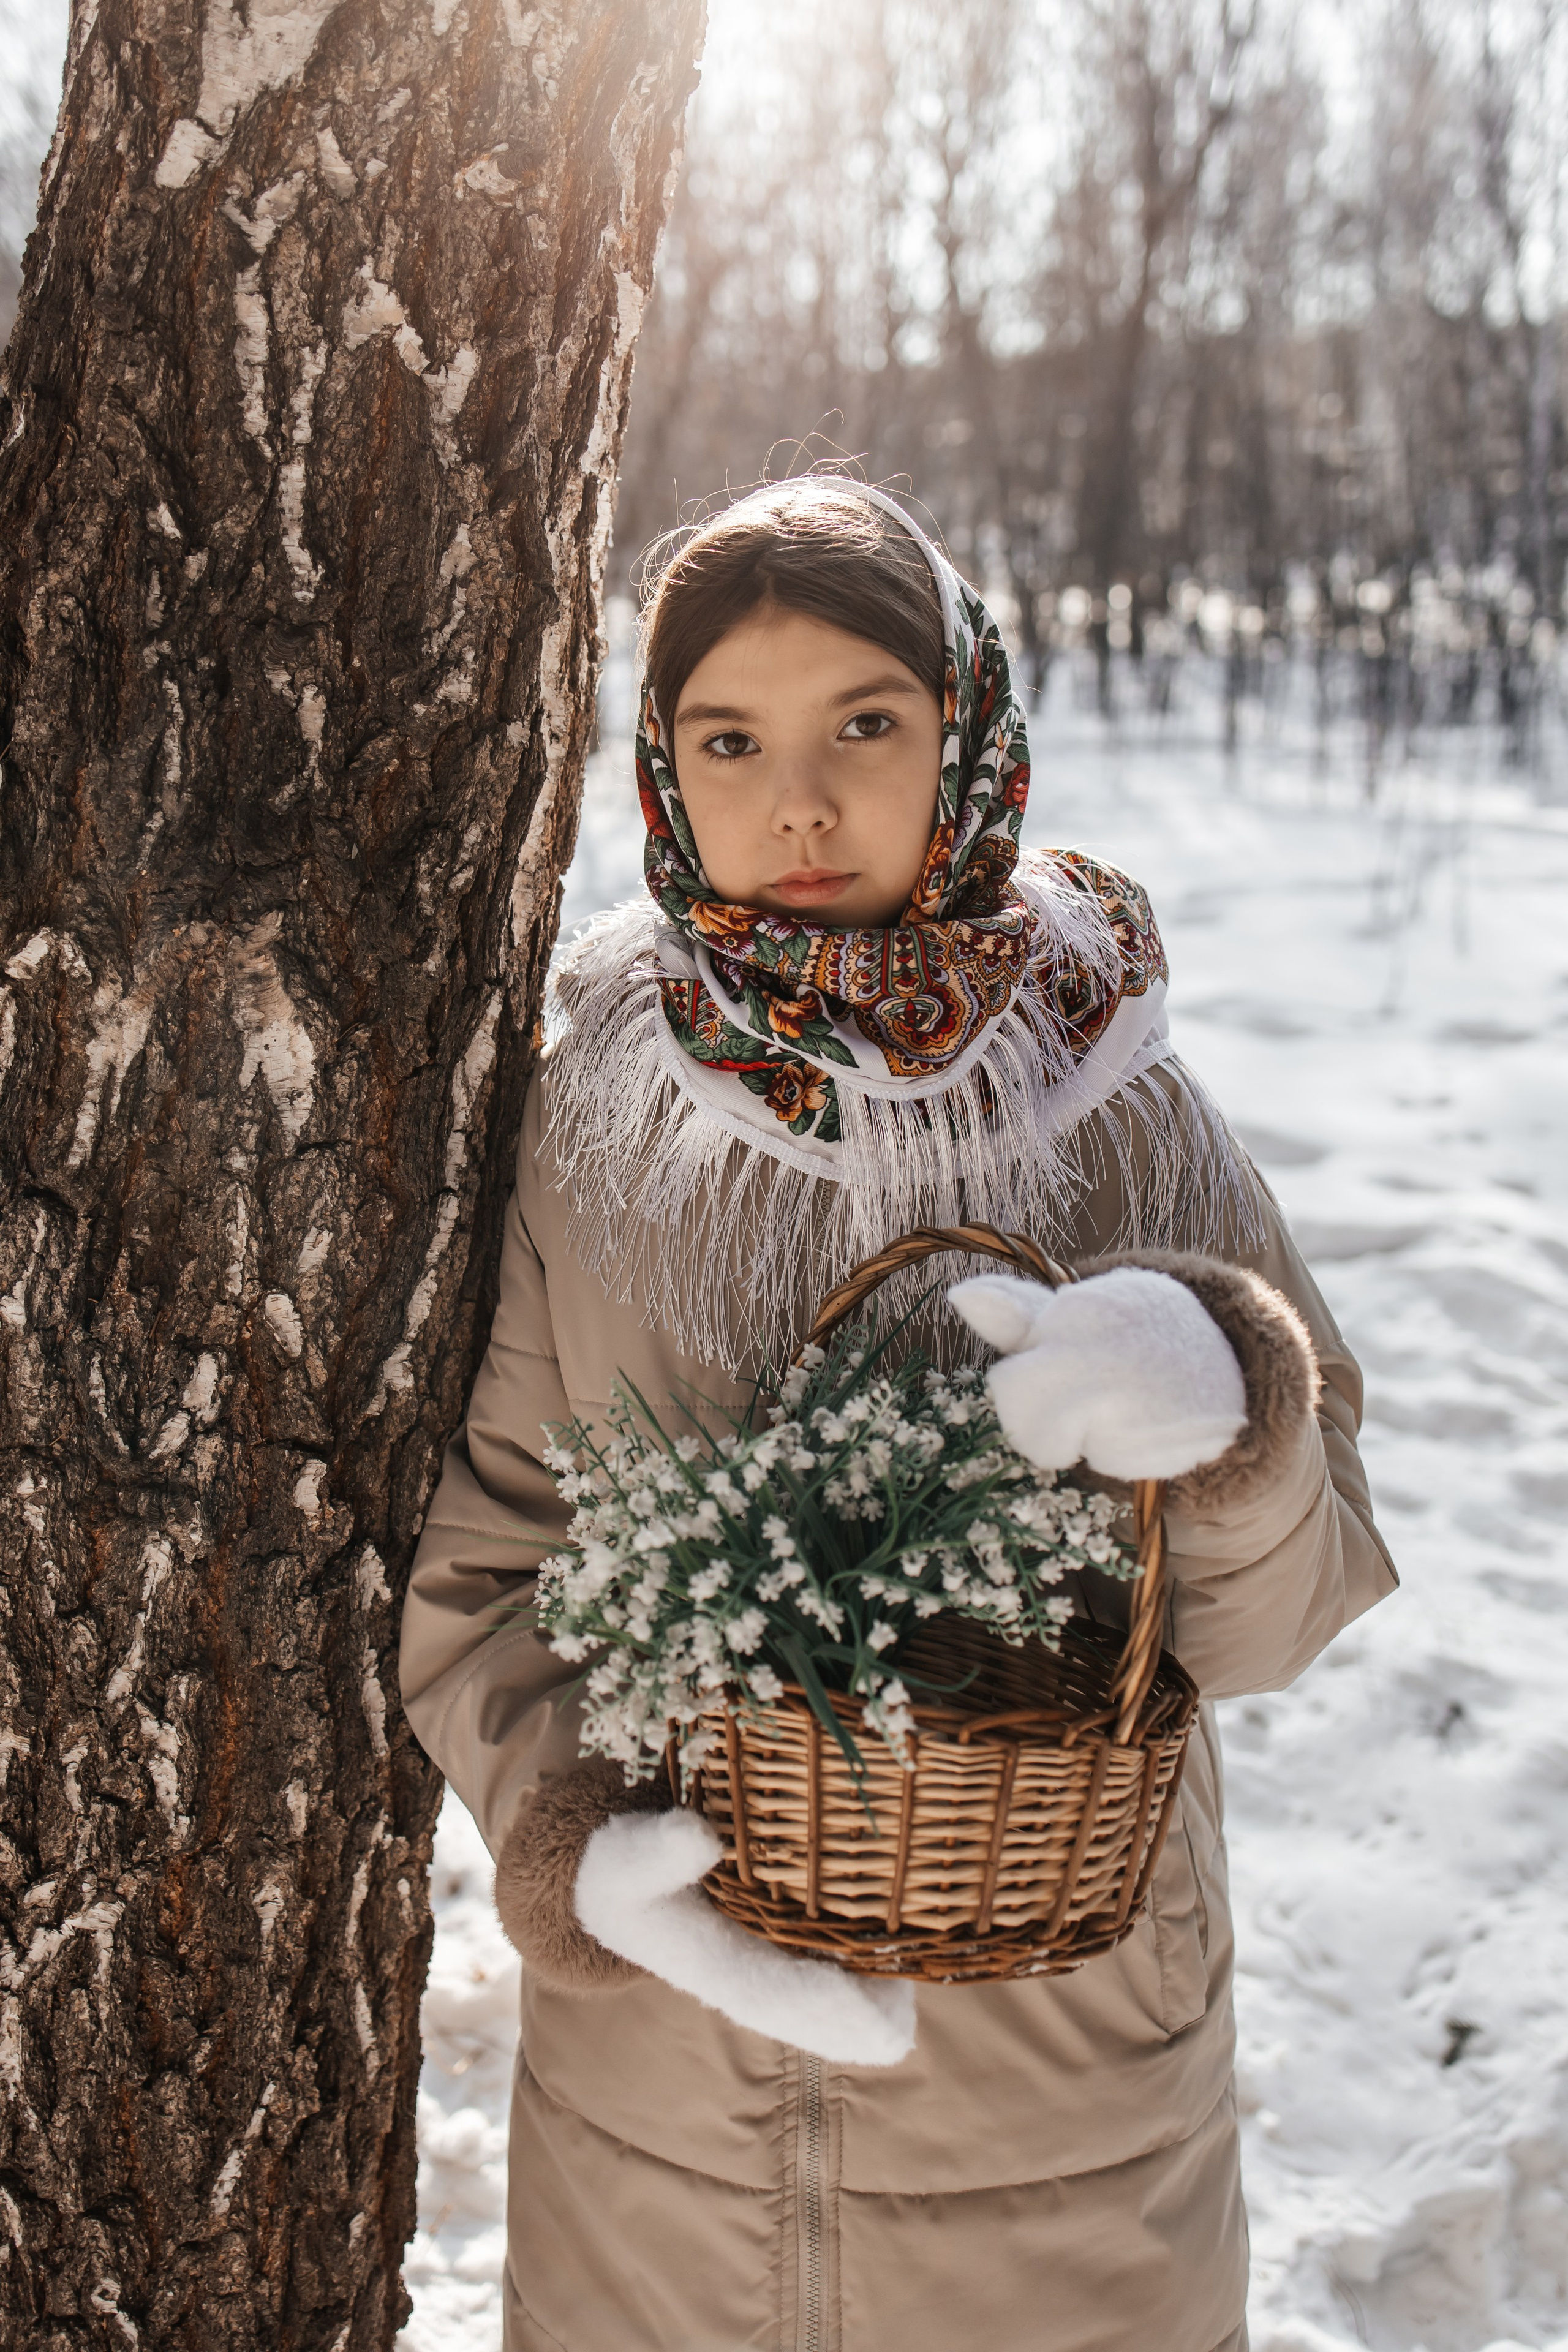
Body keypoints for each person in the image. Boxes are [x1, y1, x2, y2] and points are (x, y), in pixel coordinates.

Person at [399, 476, 1395, 2352]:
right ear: (662, 768)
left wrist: (1234, 1400)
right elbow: (491, 1555)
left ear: (970, 735)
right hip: (660, 2141)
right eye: (731, 738)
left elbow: (1280, 1612)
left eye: (868, 722)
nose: (799, 800)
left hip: (1067, 2116)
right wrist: (578, 1850)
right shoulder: (596, 1112)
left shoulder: (1112, 1085)